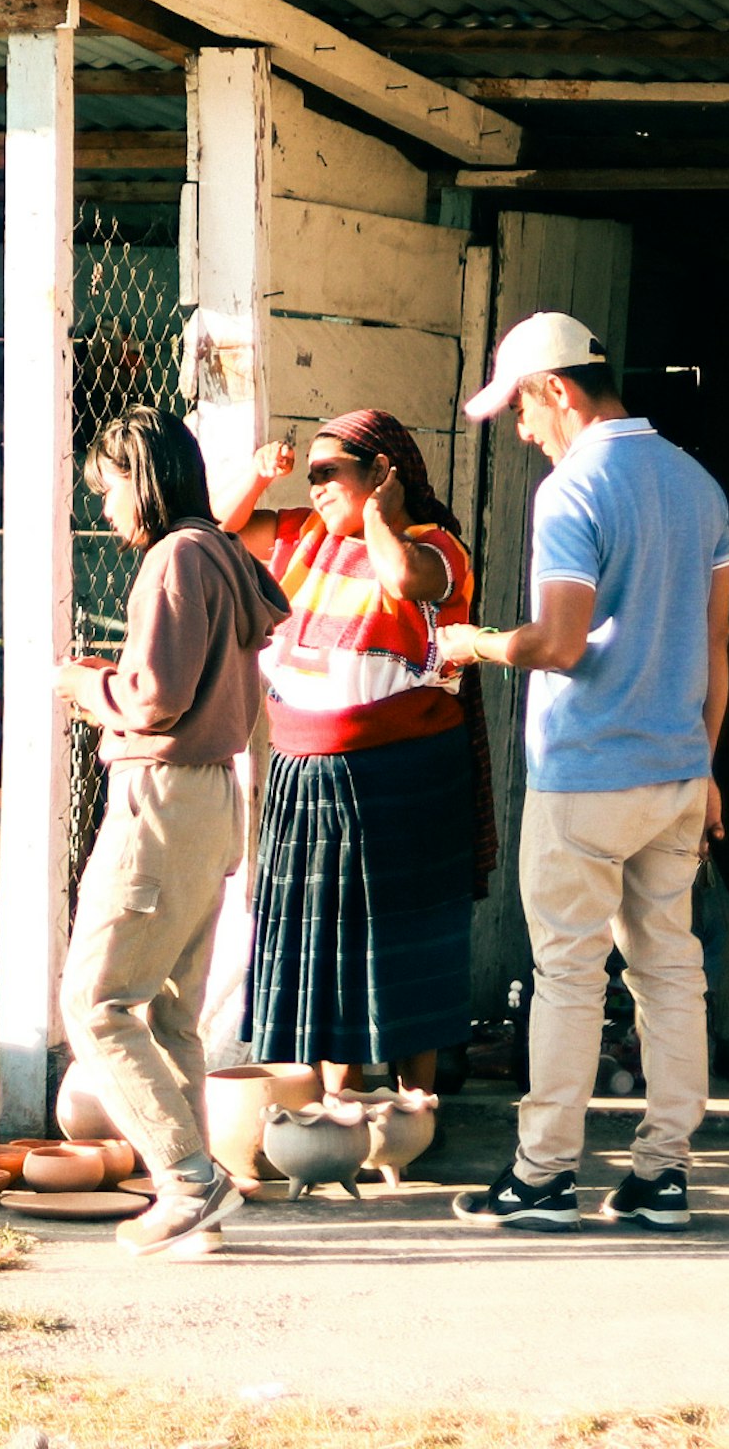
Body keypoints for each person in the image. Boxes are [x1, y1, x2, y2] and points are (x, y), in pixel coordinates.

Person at [437, 311, 729, 1233]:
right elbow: (718, 641)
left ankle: (543, 1177)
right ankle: (663, 1176)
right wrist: (707, 764)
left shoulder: (571, 493)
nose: (522, 432)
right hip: (678, 773)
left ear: (557, 390)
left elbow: (559, 645)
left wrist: (475, 642)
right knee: (670, 972)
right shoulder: (698, 485)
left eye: (521, 410)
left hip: (586, 779)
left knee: (568, 973)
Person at [57, 406, 291, 1261]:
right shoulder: (226, 551)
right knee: (168, 1014)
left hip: (160, 798)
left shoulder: (173, 559)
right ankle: (193, 1197)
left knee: (94, 1002)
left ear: (143, 477)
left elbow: (154, 698)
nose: (108, 506)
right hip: (214, 802)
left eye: (111, 485)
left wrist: (86, 688)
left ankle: (189, 1179)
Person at [220, 408, 485, 1092]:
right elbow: (219, 531)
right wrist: (257, 477)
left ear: (383, 475)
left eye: (331, 474)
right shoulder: (297, 537)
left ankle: (414, 1110)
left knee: (403, 941)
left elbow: (401, 580)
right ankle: (340, 1107)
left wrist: (377, 518)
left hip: (404, 775)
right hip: (306, 774)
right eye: (309, 477)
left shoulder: (436, 545)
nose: (316, 489)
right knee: (328, 946)